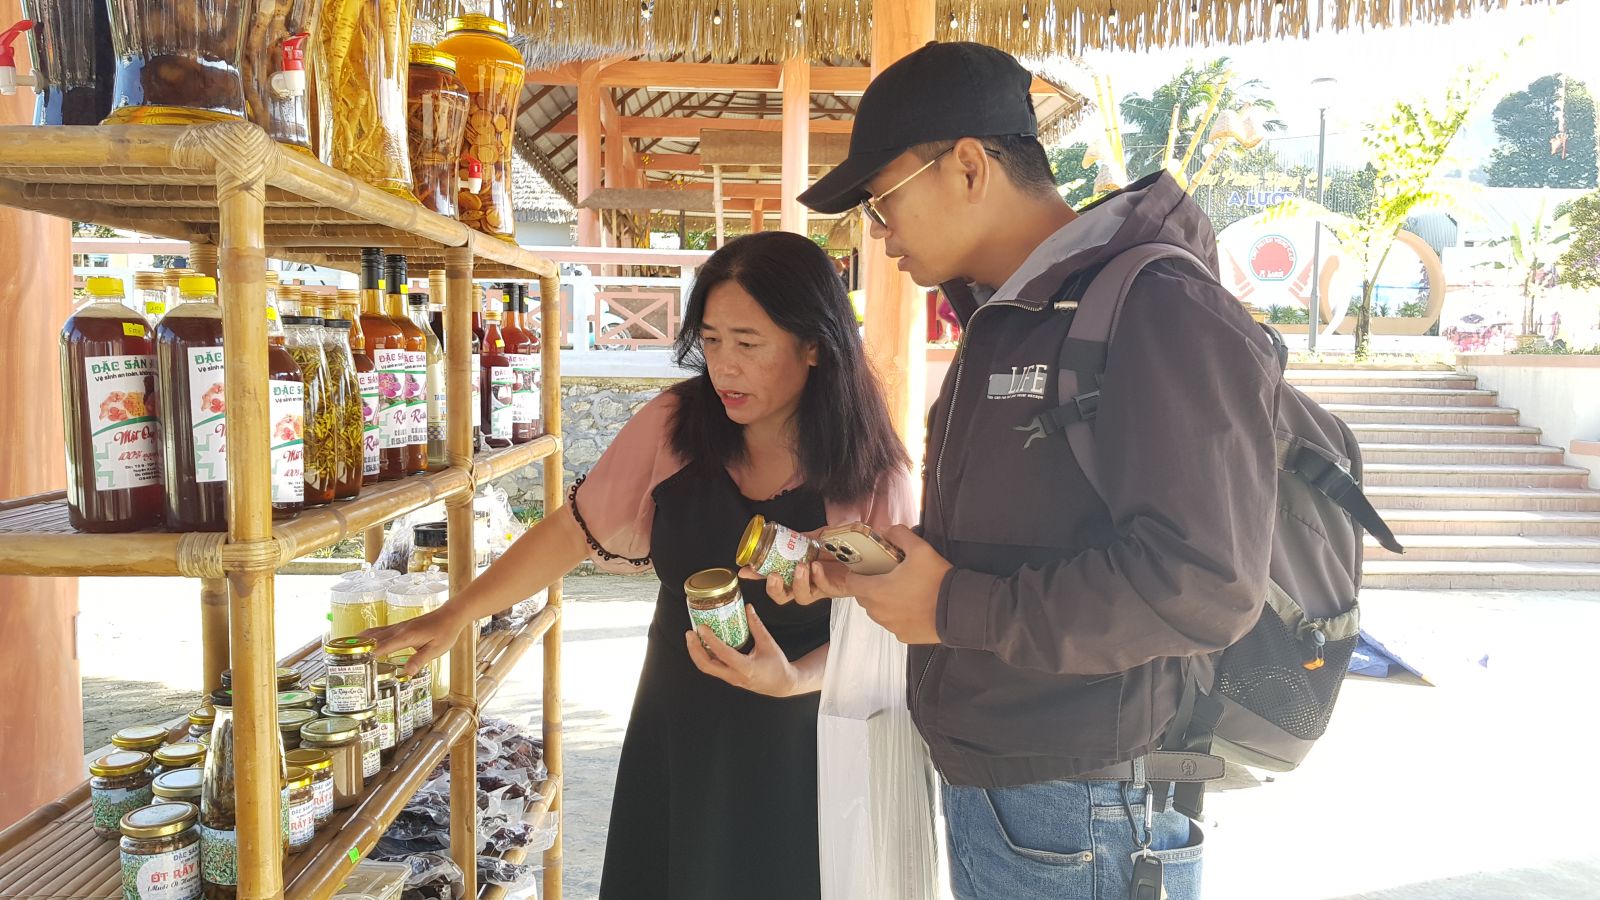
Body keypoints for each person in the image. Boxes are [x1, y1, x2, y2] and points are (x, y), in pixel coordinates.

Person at [782, 41, 1280, 899]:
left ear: (969, 166)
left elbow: (1206, 582)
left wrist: (950, 606)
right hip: (1018, 793)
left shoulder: (1158, 305)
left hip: (1089, 805)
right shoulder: (1008, 320)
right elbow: (1020, 539)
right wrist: (887, 570)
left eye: (882, 197)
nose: (878, 229)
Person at [366, 230, 916, 900]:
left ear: (814, 346)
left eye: (748, 343)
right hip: (680, 716)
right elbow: (571, 532)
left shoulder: (869, 468)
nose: (724, 367)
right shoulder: (674, 426)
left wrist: (793, 678)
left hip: (804, 737)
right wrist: (458, 613)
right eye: (711, 340)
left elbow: (896, 629)